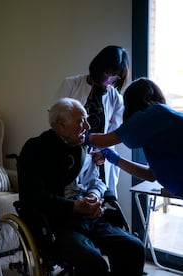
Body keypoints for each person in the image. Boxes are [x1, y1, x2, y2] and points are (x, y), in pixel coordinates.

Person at [18, 97, 145, 276]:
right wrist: (74, 206)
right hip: (57, 224)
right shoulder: (36, 149)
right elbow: (34, 196)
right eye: (81, 121)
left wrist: (94, 196)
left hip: (89, 218)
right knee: (94, 263)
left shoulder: (82, 148)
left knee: (133, 247)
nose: (87, 126)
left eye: (86, 120)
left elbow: (96, 181)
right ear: (61, 125)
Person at [87, 78, 183, 197]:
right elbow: (150, 175)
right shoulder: (160, 125)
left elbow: (102, 142)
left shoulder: (150, 115)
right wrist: (115, 159)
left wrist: (81, 135)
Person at [56, 45, 130, 196]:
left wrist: (104, 153)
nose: (110, 79)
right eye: (108, 72)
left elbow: (114, 135)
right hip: (69, 158)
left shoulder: (116, 99)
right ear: (99, 66)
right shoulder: (71, 85)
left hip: (97, 163)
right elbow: (56, 122)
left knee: (100, 200)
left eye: (116, 76)